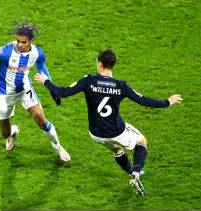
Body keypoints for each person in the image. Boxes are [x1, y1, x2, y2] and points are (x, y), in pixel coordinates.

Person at [34, 49, 182, 195]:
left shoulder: (88, 80)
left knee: (117, 149)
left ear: (99, 63)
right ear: (112, 65)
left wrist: (45, 81)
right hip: (116, 131)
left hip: (96, 134)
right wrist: (167, 102)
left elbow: (63, 92)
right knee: (142, 141)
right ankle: (136, 173)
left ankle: (131, 173)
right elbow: (143, 100)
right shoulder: (120, 86)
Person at [0, 21, 70, 161]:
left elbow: (41, 67)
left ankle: (57, 147)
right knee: (4, 133)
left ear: (31, 41)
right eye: (18, 41)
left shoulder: (37, 53)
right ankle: (13, 131)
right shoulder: (6, 51)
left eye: (24, 42)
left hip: (25, 89)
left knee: (41, 120)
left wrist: (52, 89)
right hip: (5, 93)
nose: (20, 44)